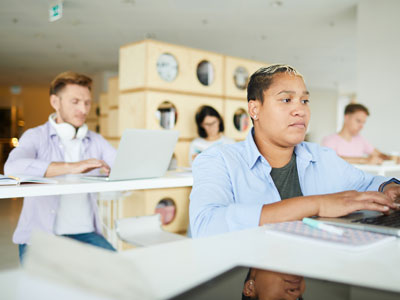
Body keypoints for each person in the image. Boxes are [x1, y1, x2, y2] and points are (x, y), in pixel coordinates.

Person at [189, 64, 400, 238]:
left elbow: (367, 183)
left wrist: (389, 187)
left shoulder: (322, 157)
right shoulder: (218, 160)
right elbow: (205, 226)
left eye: (305, 101)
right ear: (255, 110)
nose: (300, 110)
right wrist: (316, 205)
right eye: (286, 99)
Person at [4, 71, 117, 262]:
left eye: (87, 102)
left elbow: (120, 164)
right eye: (75, 102)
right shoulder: (35, 136)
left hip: (86, 233)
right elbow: (12, 168)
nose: (84, 109)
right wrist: (71, 167)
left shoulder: (96, 140)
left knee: (121, 273)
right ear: (55, 102)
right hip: (41, 236)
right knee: (43, 292)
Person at [322, 103, 399, 165]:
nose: (361, 126)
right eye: (358, 121)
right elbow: (331, 160)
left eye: (363, 123)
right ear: (347, 117)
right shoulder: (329, 140)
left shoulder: (360, 140)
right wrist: (365, 160)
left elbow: (378, 154)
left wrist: (391, 158)